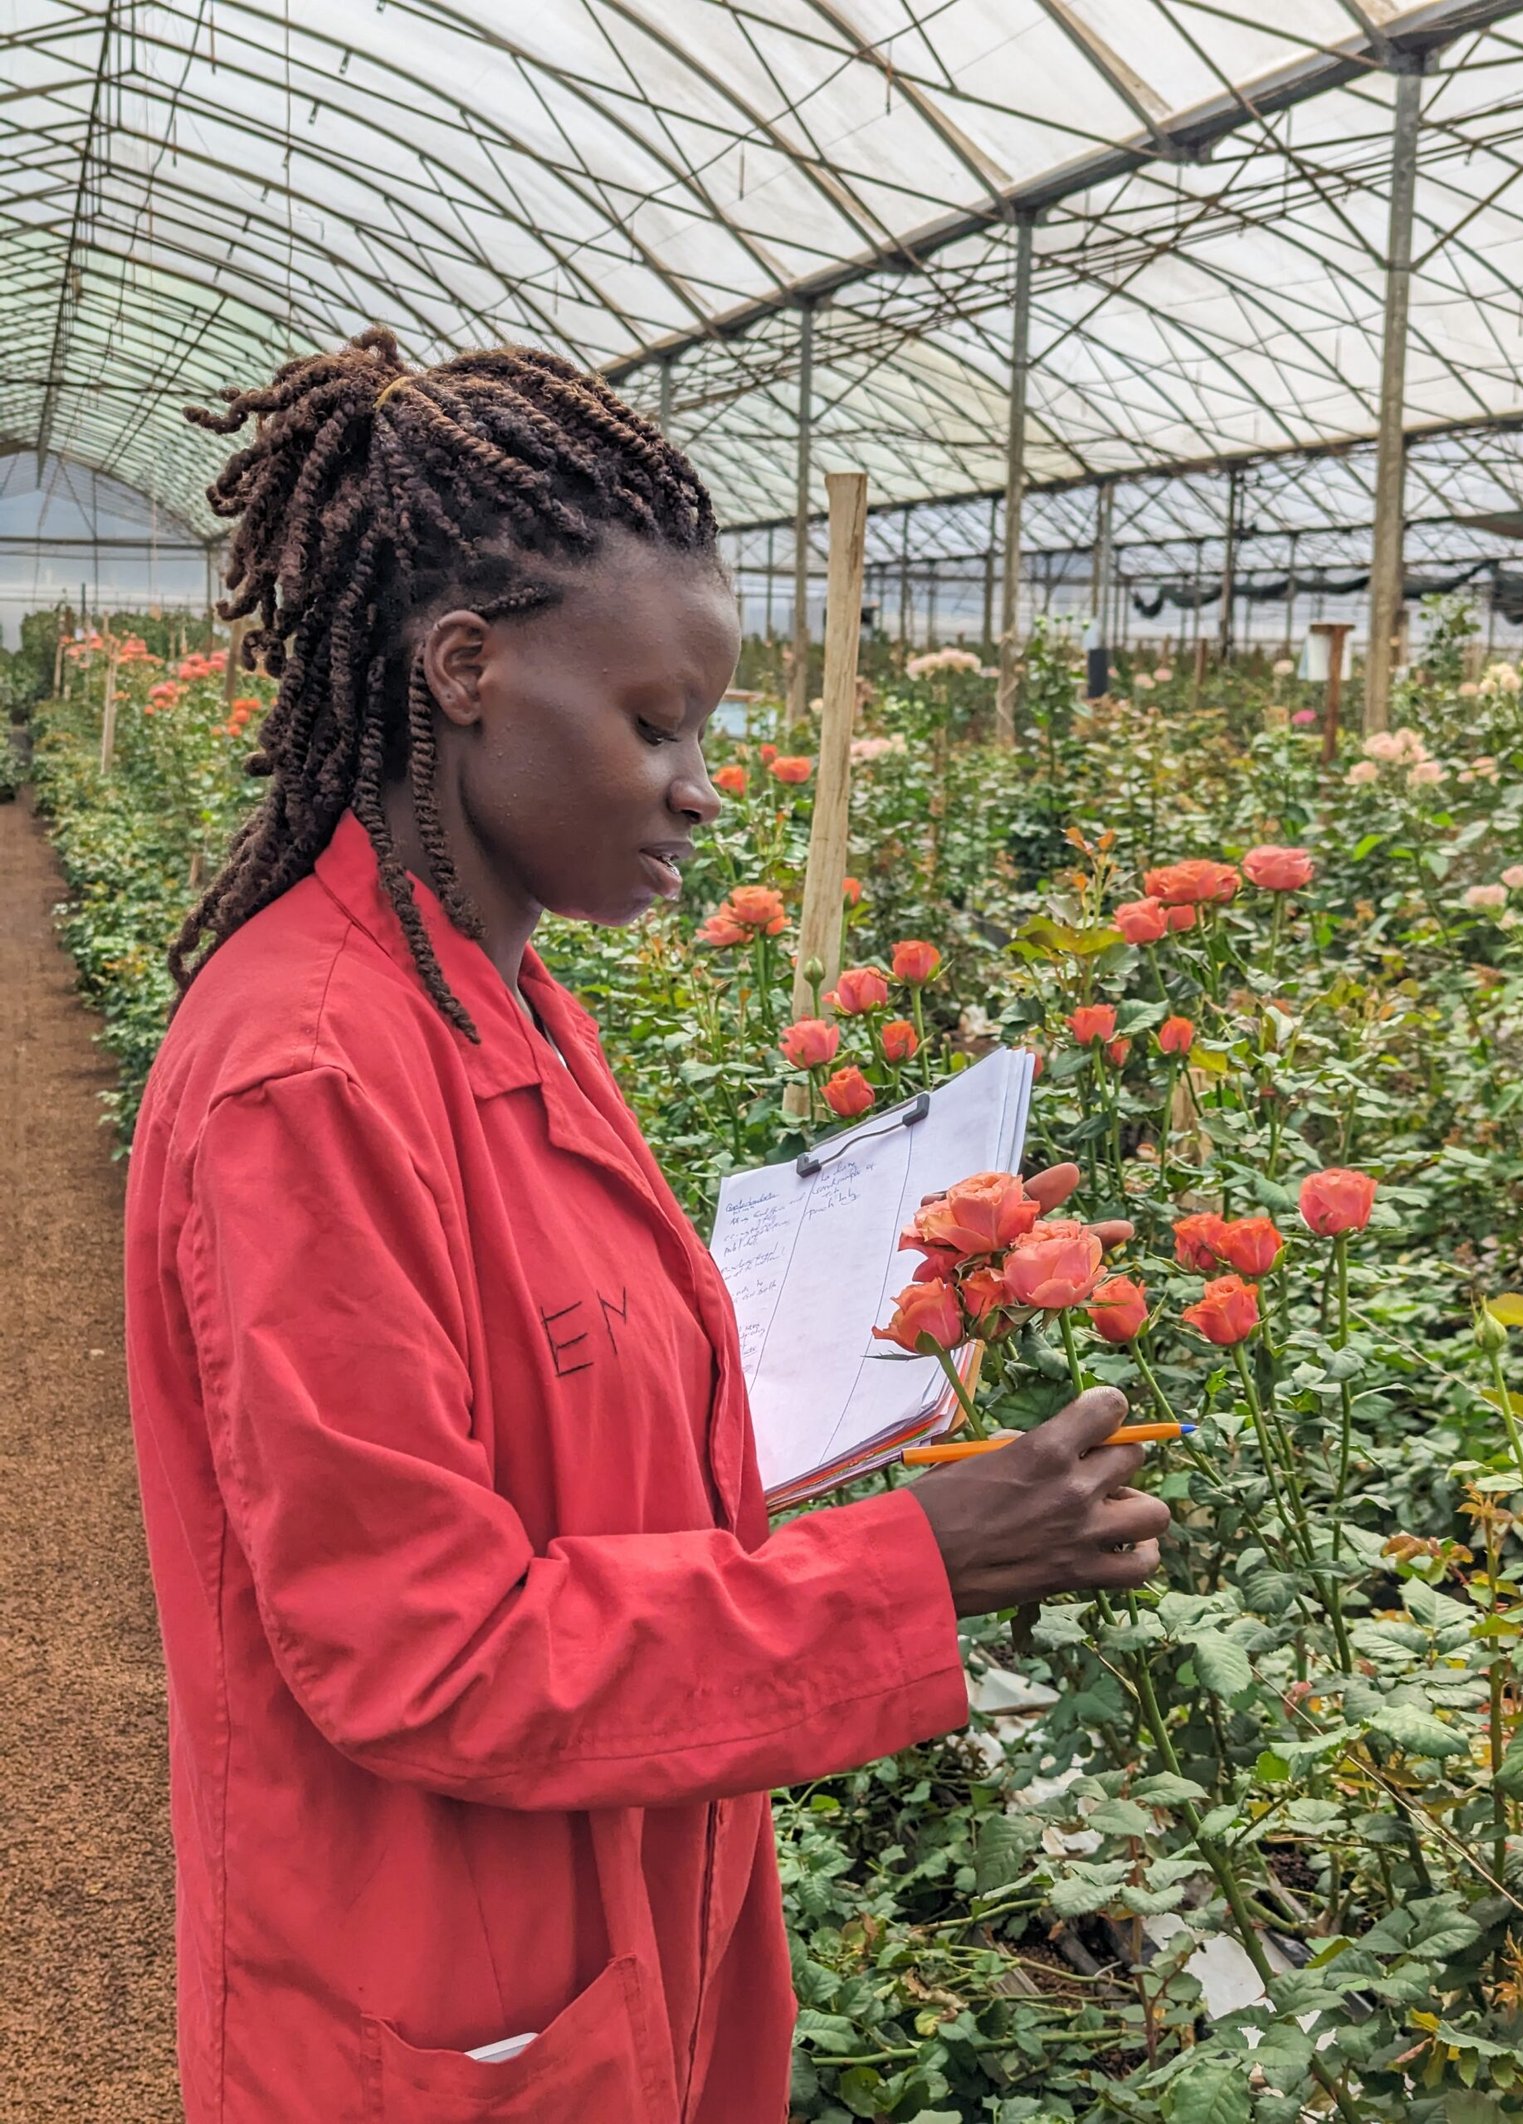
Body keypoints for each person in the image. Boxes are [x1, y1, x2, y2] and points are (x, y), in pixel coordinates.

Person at [122, 327, 1170, 2124]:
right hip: (436, 2001)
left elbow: (556, 1412)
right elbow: (424, 1642)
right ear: (464, 668)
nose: (704, 783)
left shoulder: (498, 995)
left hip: (613, 1915)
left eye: (712, 727)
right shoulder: (308, 1078)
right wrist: (914, 1566)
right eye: (652, 724)